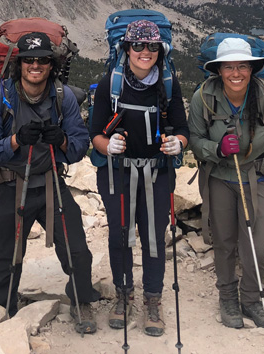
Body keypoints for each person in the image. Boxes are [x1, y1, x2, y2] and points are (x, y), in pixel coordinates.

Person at [0, 31, 100, 334]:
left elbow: (81, 146)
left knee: (76, 249)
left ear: (50, 65)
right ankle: (6, 306)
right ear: (19, 65)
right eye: (29, 59)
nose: (35, 65)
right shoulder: (0, 97)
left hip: (49, 183)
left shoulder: (62, 96)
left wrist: (64, 141)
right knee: (8, 255)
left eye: (42, 60)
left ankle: (82, 300)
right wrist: (16, 141)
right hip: (6, 186)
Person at [187, 37, 264, 329]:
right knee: (225, 242)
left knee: (258, 241)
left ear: (252, 69)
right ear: (218, 70)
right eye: (228, 67)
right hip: (220, 177)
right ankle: (227, 298)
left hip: (257, 176)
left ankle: (252, 298)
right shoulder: (203, 97)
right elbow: (194, 140)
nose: (236, 73)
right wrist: (216, 149)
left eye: (242, 66)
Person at [90, 19, 190, 337]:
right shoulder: (111, 84)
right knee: (120, 236)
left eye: (152, 47)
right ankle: (123, 295)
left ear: (160, 51)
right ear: (127, 48)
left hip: (157, 172)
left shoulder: (170, 84)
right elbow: (95, 133)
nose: (145, 52)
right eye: (138, 45)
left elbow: (183, 129)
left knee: (153, 238)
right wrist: (109, 145)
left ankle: (152, 300)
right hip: (117, 173)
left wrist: (179, 144)